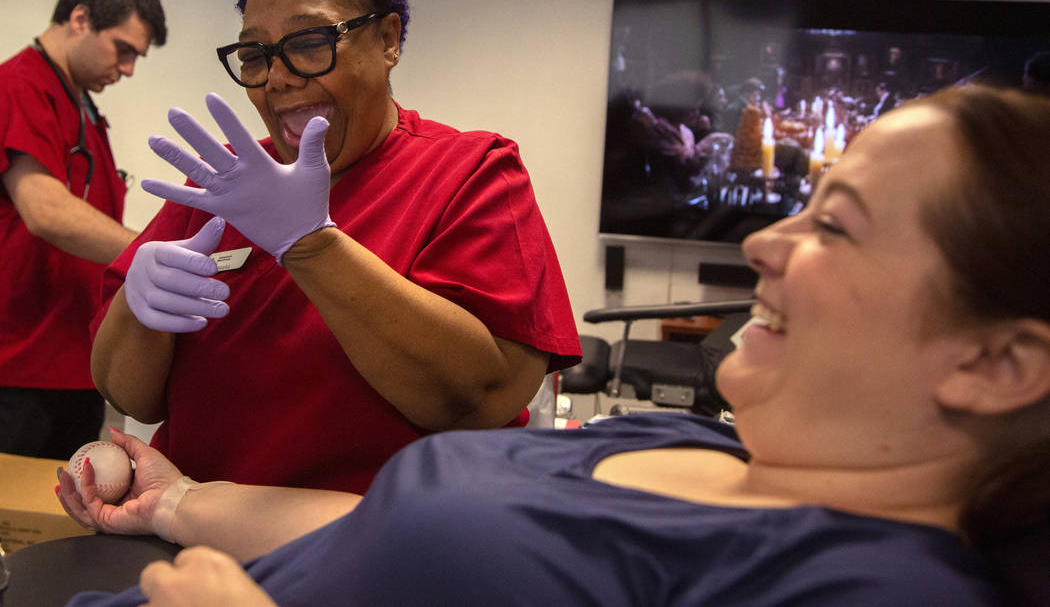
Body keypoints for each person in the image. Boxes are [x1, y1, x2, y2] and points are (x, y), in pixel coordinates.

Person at [57, 84, 1050, 605]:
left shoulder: (870, 584)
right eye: (256, 51)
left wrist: (314, 246)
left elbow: (476, 389)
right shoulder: (693, 449)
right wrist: (178, 499)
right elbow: (387, 533)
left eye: (837, 226)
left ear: (997, 363)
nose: (762, 244)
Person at [89, 0, 580, 494]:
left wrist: (313, 247)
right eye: (254, 54)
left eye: (309, 42)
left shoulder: (469, 174)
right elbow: (127, 391)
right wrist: (139, 310)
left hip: (372, 561)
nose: (277, 77)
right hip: (193, 545)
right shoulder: (223, 180)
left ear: (389, 39)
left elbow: (481, 398)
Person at [0, 0, 167, 459]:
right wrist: (154, 252)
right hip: (20, 369)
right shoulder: (19, 86)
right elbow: (46, 210)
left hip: (75, 361)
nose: (129, 69)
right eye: (123, 50)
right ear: (79, 18)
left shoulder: (82, 107)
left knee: (60, 518)